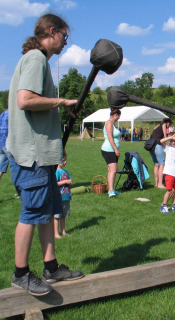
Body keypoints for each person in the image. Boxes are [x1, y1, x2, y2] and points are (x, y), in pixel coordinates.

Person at [6, 13, 84, 296]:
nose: (65, 42)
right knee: (32, 212)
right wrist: (61, 101)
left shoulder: (38, 61)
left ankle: (51, 267)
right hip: (32, 156)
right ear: (53, 31)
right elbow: (25, 100)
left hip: (43, 154)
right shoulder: (36, 59)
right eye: (65, 36)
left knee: (47, 210)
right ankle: (21, 273)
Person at [101, 108, 122, 197]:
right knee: (113, 170)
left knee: (111, 170)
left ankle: (112, 189)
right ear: (116, 115)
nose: (119, 118)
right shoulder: (109, 124)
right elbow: (110, 138)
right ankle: (110, 191)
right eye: (119, 116)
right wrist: (116, 149)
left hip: (111, 150)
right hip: (109, 150)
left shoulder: (112, 124)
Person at [149, 118, 172, 189]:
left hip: (151, 146)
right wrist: (169, 143)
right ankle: (160, 184)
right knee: (162, 164)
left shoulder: (157, 125)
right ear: (168, 123)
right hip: (157, 145)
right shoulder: (164, 125)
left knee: (156, 164)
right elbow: (165, 137)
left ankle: (156, 183)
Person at [54, 157, 72, 238]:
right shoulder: (56, 172)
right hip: (58, 197)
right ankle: (56, 233)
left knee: (63, 215)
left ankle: (63, 232)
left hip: (66, 197)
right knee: (57, 216)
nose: (65, 162)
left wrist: (69, 182)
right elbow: (55, 183)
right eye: (63, 160)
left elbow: (69, 180)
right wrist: (65, 181)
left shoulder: (65, 171)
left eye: (65, 160)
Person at [0, 109, 9, 182]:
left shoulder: (3, 114)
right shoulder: (13, 114)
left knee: (0, 168)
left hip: (1, 143)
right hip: (8, 144)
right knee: (17, 166)